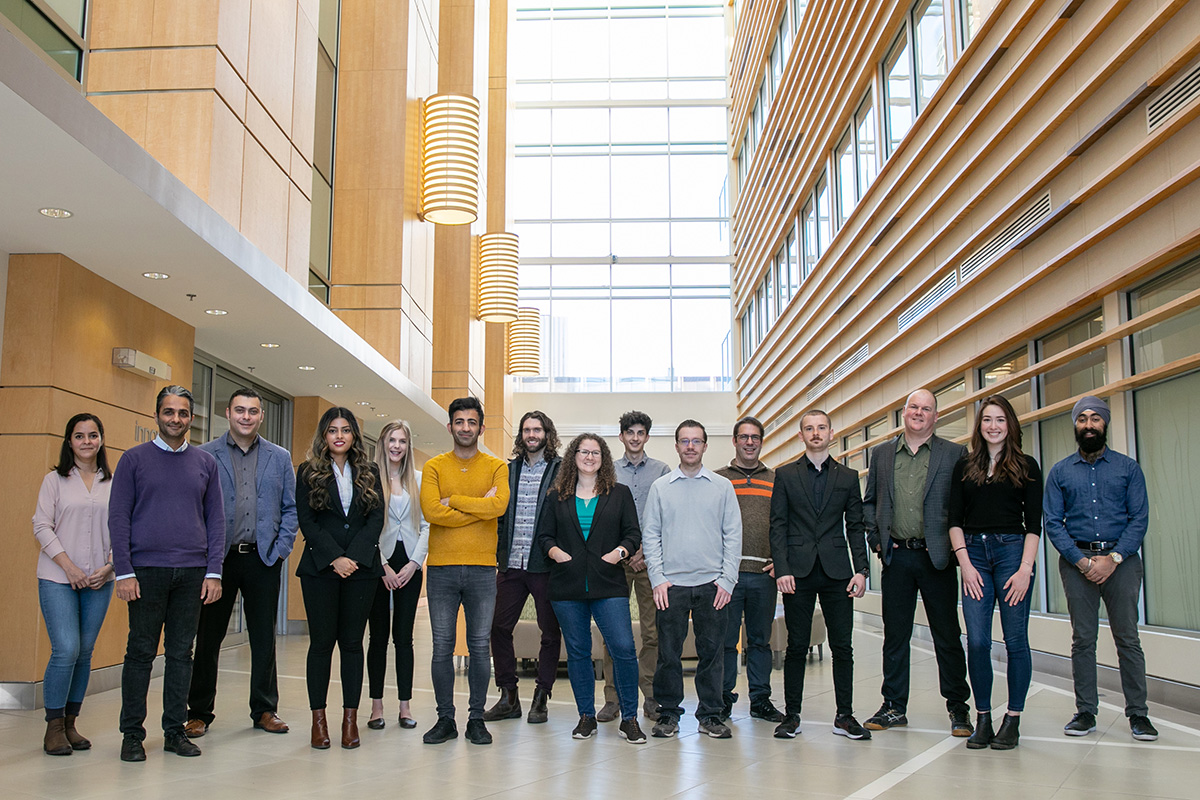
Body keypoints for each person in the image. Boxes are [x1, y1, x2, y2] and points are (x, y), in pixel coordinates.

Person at [110, 385, 225, 762]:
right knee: (140, 653)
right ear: (157, 415)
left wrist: (214, 572)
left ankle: (174, 731)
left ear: (192, 418)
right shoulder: (133, 459)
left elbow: (216, 521)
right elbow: (118, 518)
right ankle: (132, 735)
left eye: (183, 413)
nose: (176, 419)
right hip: (146, 572)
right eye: (169, 412)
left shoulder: (205, 463)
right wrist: (123, 572)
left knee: (181, 654)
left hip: (193, 572)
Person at [185, 389, 297, 739]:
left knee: (264, 638)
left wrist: (280, 549)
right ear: (228, 414)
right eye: (239, 411)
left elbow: (291, 508)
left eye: (252, 411)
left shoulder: (279, 457)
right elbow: (195, 508)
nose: (246, 417)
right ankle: (199, 712)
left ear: (261, 416)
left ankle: (264, 709)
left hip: (263, 559)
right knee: (208, 638)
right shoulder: (204, 455)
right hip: (218, 562)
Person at [1044, 395, 1157, 742]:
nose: (1089, 425)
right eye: (1082, 419)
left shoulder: (1128, 468)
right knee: (1083, 640)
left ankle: (1138, 714)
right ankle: (1085, 712)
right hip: (1077, 563)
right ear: (1075, 425)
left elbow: (1139, 519)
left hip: (1121, 563)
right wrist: (1081, 561)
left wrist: (1114, 559)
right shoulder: (1061, 472)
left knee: (1127, 638)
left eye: (1095, 418)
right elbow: (1053, 521)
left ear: (1105, 424)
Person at [863, 389, 973, 736]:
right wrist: (877, 540)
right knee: (895, 636)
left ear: (936, 417)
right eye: (913, 406)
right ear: (904, 411)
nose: (919, 413)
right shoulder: (881, 454)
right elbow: (869, 503)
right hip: (897, 556)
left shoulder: (955, 454)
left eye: (927, 409)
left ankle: (958, 708)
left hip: (937, 557)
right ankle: (894, 706)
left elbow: (964, 506)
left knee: (948, 636)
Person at [538, 434, 646, 744]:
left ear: (604, 458)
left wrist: (619, 554)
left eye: (595, 452)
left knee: (624, 649)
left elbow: (632, 534)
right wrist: (556, 553)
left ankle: (629, 719)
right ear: (573, 456)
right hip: (567, 586)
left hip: (609, 584)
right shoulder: (556, 495)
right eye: (583, 451)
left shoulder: (620, 493)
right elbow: (545, 536)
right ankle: (586, 716)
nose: (589, 456)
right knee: (578, 652)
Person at [769, 409, 871, 740]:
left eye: (821, 428)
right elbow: (778, 526)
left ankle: (845, 715)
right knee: (796, 645)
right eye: (809, 429)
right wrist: (781, 568)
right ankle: (792, 715)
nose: (816, 433)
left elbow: (856, 527)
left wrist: (862, 570)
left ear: (830, 433)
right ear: (801, 435)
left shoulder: (847, 476)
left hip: (838, 572)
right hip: (796, 573)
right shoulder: (784, 475)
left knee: (843, 646)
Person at [948, 395, 1043, 750]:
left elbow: (1034, 524)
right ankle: (983, 718)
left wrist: (1024, 570)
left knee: (1016, 640)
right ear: (979, 426)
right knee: (977, 641)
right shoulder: (964, 467)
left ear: (1010, 425)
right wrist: (966, 566)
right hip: (973, 554)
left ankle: (1013, 720)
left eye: (1000, 420)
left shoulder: (1027, 465)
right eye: (987, 419)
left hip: (1012, 554)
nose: (993, 426)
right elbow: (954, 520)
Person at [419, 397, 510, 746]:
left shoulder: (496, 466)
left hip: (483, 569)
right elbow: (431, 511)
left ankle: (476, 719)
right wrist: (479, 508)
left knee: (478, 646)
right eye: (459, 422)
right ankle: (445, 719)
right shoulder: (434, 467)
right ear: (450, 426)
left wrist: (453, 500)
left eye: (472, 422)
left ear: (481, 428)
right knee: (442, 647)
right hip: (441, 568)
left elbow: (498, 506)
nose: (465, 428)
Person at [644, 420, 742, 739]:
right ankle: (669, 713)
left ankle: (711, 714)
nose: (690, 446)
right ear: (676, 446)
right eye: (684, 441)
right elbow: (651, 535)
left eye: (696, 441)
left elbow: (733, 535)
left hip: (712, 585)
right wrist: (657, 579)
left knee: (712, 654)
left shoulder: (721, 486)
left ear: (705, 446)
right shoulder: (661, 487)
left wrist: (727, 580)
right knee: (668, 654)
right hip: (670, 586)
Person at [295, 407, 385, 750]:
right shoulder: (307, 472)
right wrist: (335, 557)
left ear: (354, 436)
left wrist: (354, 558)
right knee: (320, 645)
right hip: (321, 569)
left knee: (351, 644)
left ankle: (350, 721)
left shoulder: (369, 471)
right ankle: (319, 722)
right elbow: (308, 521)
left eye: (345, 430)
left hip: (362, 571)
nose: (339, 436)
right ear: (324, 435)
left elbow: (375, 519)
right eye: (333, 430)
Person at [33, 413, 115, 756]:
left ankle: (70, 724)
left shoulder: (113, 482)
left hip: (100, 579)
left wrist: (109, 567)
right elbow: (41, 525)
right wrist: (69, 567)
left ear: (100, 440)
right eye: (79, 436)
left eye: (92, 435)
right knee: (65, 649)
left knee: (84, 653)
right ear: (70, 441)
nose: (86, 441)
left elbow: (123, 529)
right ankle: (53, 727)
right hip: (58, 578)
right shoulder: (55, 480)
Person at [483, 411, 562, 724]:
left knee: (550, 632)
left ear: (546, 433)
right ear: (521, 435)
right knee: (498, 627)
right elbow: (498, 512)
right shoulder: (508, 469)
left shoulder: (560, 469)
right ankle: (508, 696)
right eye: (527, 430)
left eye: (537, 429)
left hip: (544, 565)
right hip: (511, 565)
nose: (532, 434)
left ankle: (541, 696)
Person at [597, 410, 671, 722]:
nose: (635, 438)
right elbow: (601, 514)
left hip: (651, 560)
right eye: (630, 432)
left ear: (647, 436)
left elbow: (667, 516)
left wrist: (644, 551)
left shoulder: (662, 470)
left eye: (641, 432)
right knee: (614, 632)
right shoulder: (608, 470)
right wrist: (625, 551)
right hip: (616, 560)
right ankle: (612, 698)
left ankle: (651, 696)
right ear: (622, 436)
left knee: (653, 632)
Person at [715, 416, 784, 723]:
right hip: (727, 577)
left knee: (760, 641)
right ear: (734, 441)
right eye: (743, 437)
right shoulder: (717, 480)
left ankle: (760, 699)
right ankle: (724, 698)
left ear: (761, 441)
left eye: (755, 437)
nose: (749, 442)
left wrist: (781, 562)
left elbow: (786, 525)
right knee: (726, 642)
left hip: (763, 577)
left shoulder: (776, 480)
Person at [365, 420, 429, 731]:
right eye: (392, 440)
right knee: (377, 638)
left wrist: (414, 563)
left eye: (402, 441)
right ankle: (377, 707)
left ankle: (405, 707)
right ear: (383, 443)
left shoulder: (419, 479)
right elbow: (365, 527)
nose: (397, 446)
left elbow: (428, 526)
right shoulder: (369, 479)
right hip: (379, 566)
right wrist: (383, 567)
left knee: (404, 638)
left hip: (409, 566)